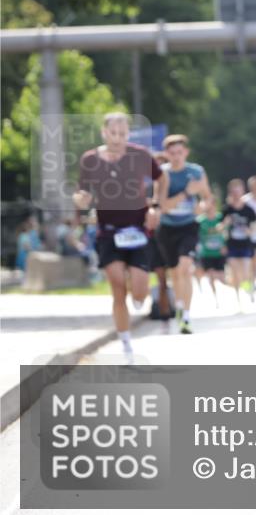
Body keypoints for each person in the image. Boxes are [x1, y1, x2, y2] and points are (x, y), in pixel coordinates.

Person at [73, 112, 167, 364]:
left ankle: (140, 293)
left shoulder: (139, 155)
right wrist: (81, 199)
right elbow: (83, 191)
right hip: (108, 230)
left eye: (122, 134)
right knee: (117, 287)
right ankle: (126, 344)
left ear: (128, 134)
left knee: (138, 292)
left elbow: (161, 178)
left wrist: (156, 207)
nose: (117, 139)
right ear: (104, 133)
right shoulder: (91, 159)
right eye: (113, 133)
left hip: (137, 229)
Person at [155, 134, 212, 334]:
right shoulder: (162, 174)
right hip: (168, 228)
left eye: (180, 152)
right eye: (172, 153)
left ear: (186, 152)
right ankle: (179, 306)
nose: (177, 156)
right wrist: (186, 193)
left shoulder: (196, 172)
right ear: (166, 154)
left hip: (189, 226)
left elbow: (207, 198)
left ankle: (186, 316)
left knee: (185, 268)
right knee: (175, 272)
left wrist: (202, 207)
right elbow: (163, 206)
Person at [222, 178, 256, 308]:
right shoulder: (227, 209)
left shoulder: (248, 209)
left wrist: (250, 230)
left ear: (242, 191)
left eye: (238, 191)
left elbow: (255, 224)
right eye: (234, 191)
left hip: (246, 244)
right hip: (232, 244)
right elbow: (220, 227)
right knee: (235, 272)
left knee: (246, 271)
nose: (236, 194)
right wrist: (225, 224)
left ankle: (248, 288)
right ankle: (238, 299)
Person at [196, 198, 227, 307]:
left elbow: (227, 231)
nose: (210, 208)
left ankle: (224, 295)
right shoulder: (200, 221)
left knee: (221, 277)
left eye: (212, 205)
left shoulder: (220, 218)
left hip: (219, 253)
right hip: (206, 253)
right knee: (211, 276)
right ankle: (216, 299)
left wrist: (225, 245)